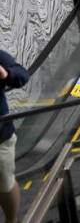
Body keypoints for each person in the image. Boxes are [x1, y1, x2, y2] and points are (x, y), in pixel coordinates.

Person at [0, 50, 29, 222]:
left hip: (1, 138)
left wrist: (6, 74)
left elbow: (22, 74)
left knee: (4, 182)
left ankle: (12, 219)